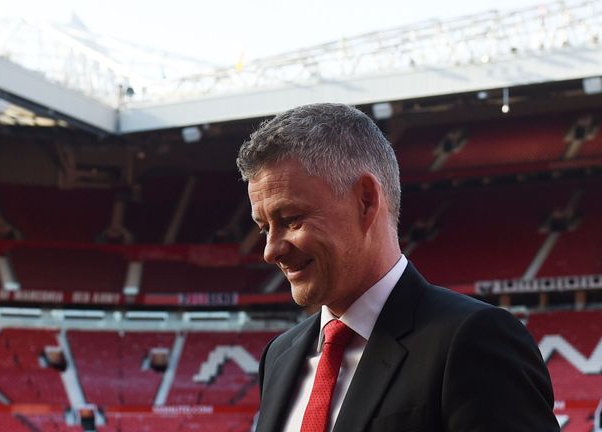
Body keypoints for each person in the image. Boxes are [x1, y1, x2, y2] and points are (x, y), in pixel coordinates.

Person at [236, 103, 558, 432]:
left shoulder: (474, 339)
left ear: (365, 200)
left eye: (291, 220)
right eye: (264, 228)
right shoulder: (279, 356)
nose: (270, 250)